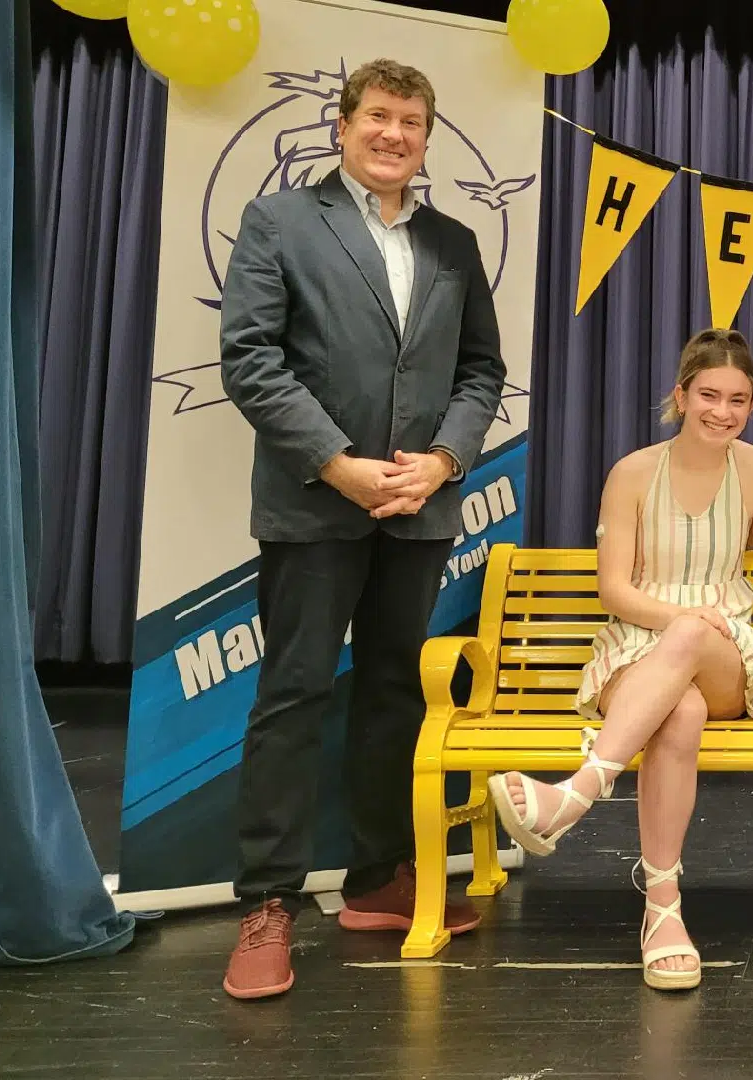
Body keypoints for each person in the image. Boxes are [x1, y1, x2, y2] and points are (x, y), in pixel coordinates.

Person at [216, 59, 506, 1001]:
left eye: (412, 122)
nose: (394, 134)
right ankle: (267, 904)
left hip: (419, 515)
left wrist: (446, 460)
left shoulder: (455, 243)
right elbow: (251, 361)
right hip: (313, 506)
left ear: (427, 139)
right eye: (378, 116)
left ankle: (380, 879)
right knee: (295, 695)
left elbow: (481, 372)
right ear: (342, 126)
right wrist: (337, 463)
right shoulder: (279, 223)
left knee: (392, 693)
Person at [488, 328, 753, 992]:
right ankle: (663, 911)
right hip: (636, 639)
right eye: (708, 394)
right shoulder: (631, 471)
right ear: (680, 394)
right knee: (677, 714)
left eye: (738, 399)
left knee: (690, 650)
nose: (722, 411)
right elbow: (614, 589)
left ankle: (575, 795)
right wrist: (676, 619)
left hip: (724, 649)